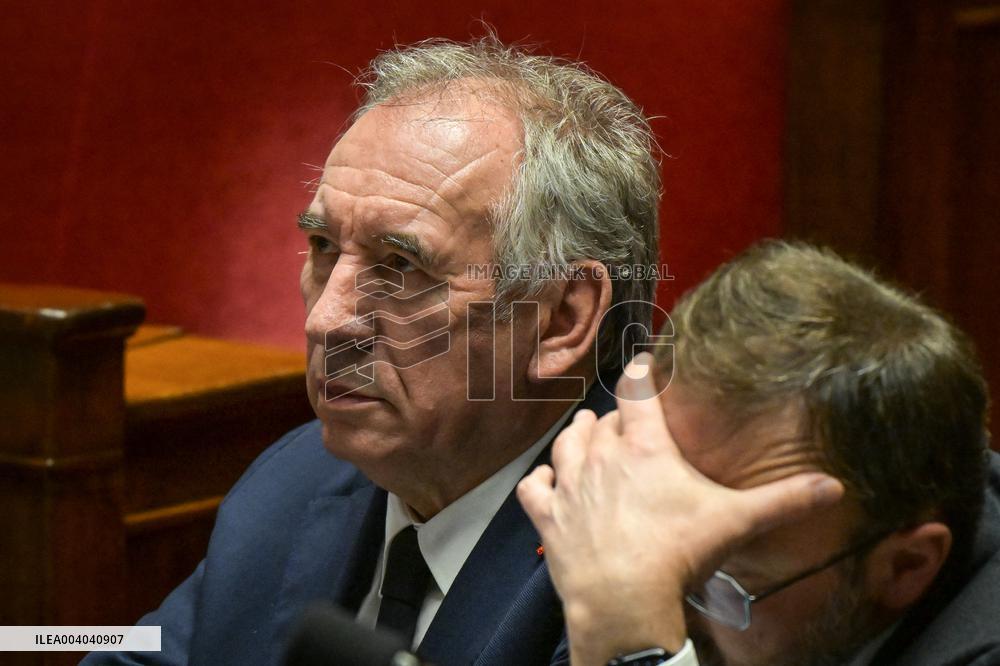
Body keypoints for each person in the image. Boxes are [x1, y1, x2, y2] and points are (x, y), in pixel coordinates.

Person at [83, 36, 661, 665]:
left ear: (559, 319)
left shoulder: (641, 564)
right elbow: (146, 651)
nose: (326, 321)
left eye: (401, 265)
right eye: (324, 247)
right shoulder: (299, 479)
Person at [520, 241, 1000, 666]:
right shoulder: (609, 546)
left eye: (726, 582)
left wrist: (632, 647)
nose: (649, 575)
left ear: (904, 567)